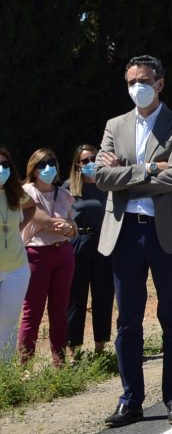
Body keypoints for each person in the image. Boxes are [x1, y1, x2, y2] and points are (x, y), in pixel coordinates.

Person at [95, 55, 172, 427]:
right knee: (127, 320)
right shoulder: (115, 124)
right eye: (130, 81)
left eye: (143, 80)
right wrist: (147, 169)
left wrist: (123, 173)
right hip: (125, 230)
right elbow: (101, 177)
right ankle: (131, 399)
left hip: (167, 232)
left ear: (160, 83)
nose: (136, 87)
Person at [19, 148, 79, 366]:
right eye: (42, 165)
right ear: (33, 170)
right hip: (36, 254)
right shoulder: (26, 191)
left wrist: (69, 229)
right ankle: (25, 365)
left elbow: (73, 226)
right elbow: (42, 220)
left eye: (51, 163)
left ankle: (59, 360)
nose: (48, 168)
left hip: (63, 253)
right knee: (32, 312)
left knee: (59, 310)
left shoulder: (64, 194)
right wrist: (64, 227)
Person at [64, 145, 113, 358]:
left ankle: (101, 347)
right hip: (78, 243)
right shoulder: (68, 188)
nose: (90, 163)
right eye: (85, 160)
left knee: (103, 295)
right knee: (76, 297)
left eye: (94, 158)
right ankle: (72, 348)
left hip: (104, 243)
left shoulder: (107, 186)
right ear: (77, 164)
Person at [0, 147, 48, 359]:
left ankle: (5, 380)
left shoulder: (14, 193)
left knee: (7, 326)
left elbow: (31, 207)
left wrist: (20, 228)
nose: (2, 169)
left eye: (5, 165)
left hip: (16, 271)